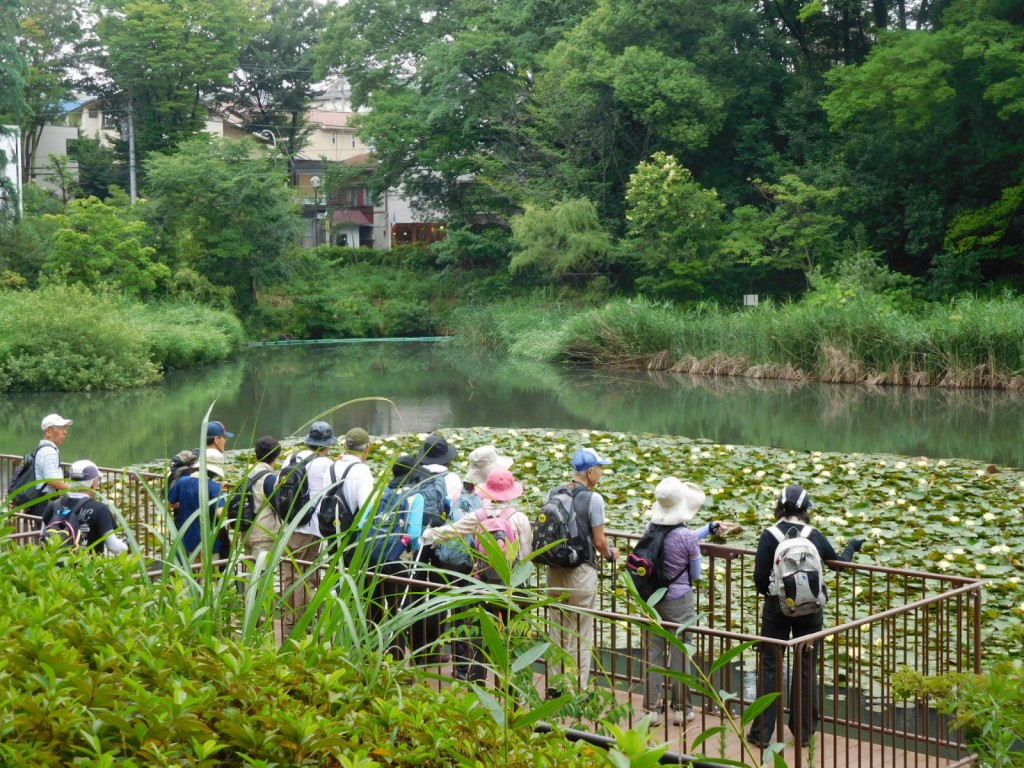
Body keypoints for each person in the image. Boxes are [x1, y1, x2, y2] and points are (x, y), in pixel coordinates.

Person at [747, 484, 864, 749]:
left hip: (777, 610)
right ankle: (803, 733)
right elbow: (838, 562)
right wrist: (852, 547)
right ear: (805, 509)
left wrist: (775, 597)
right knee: (806, 667)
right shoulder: (814, 535)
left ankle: (761, 734)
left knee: (770, 666)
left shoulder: (769, 535)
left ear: (779, 507)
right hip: (811, 610)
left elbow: (758, 579)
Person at [422, 467, 533, 683]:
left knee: (482, 635)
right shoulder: (519, 518)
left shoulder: (478, 516)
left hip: (483, 584)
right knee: (513, 637)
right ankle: (510, 686)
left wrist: (429, 534)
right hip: (511, 585)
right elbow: (526, 556)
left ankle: (479, 682)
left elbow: (452, 531)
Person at [641, 477, 725, 725]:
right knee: (680, 653)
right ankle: (681, 709)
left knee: (653, 652)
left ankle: (651, 710)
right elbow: (696, 574)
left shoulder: (650, 529)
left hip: (652, 599)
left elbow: (672, 536)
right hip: (679, 601)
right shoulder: (687, 537)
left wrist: (707, 530)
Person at [546, 447, 618, 694]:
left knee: (557, 629)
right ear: (590, 471)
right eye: (600, 469)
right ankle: (578, 688)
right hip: (580, 573)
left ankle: (556, 686)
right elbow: (599, 541)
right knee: (581, 632)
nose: (601, 474)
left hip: (554, 570)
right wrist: (611, 555)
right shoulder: (594, 499)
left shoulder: (553, 492)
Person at [279, 421, 336, 635]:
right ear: (326, 445)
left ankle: (289, 622)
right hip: (311, 527)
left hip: (289, 524)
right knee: (305, 575)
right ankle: (302, 624)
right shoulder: (325, 464)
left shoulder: (291, 458)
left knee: (289, 574)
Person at [40, 460, 128, 555]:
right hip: (87, 567)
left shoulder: (53, 506)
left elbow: (42, 536)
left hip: (57, 566)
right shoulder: (99, 509)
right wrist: (127, 546)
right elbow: (114, 547)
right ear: (94, 483)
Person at [326, 427, 375, 557]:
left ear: (345, 446)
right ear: (367, 447)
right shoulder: (362, 471)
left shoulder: (331, 467)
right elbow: (367, 508)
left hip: (330, 531)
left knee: (334, 571)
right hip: (352, 537)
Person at [168, 462, 226, 562]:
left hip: (189, 538)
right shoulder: (214, 487)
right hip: (210, 540)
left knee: (196, 573)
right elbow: (220, 514)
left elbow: (170, 503)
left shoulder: (182, 481)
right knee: (211, 575)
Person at [22, 414, 78, 514]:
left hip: (41, 500)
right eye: (60, 428)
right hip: (45, 502)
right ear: (48, 431)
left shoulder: (43, 448)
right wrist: (75, 490)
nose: (64, 432)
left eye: (65, 428)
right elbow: (52, 480)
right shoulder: (49, 451)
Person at [242, 436, 282, 564]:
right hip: (263, 534)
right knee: (260, 576)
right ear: (275, 456)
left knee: (248, 573)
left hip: (246, 530)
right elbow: (278, 505)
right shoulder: (269, 478)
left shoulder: (249, 474)